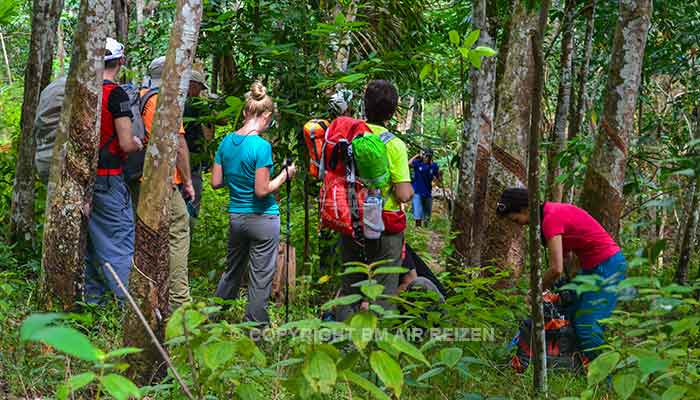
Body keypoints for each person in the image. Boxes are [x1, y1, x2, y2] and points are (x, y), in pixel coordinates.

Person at [495, 187, 627, 361]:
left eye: (516, 218)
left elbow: (556, 268)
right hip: (591, 269)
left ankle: (606, 380)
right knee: (570, 312)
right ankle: (576, 367)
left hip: (607, 267)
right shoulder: (550, 213)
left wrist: (536, 290)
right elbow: (567, 259)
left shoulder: (550, 219)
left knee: (587, 328)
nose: (518, 223)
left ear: (525, 209)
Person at [211, 82, 297, 324]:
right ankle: (255, 329)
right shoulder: (261, 146)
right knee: (260, 279)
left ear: (247, 111)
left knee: (232, 271)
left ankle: (212, 319)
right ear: (266, 115)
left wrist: (237, 175)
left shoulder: (226, 141)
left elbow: (216, 182)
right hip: (263, 219)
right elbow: (262, 190)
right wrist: (285, 175)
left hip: (237, 217)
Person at [336, 80, 413, 320]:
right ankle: (379, 347)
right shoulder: (395, 145)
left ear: (365, 105)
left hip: (352, 221)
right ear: (393, 110)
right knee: (384, 289)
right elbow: (402, 194)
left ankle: (345, 345)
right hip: (385, 225)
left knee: (351, 286)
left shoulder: (350, 137)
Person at [84, 38, 143, 303]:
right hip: (108, 179)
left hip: (83, 178)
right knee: (119, 240)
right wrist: (138, 142)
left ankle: (93, 301)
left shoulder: (84, 91)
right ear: (120, 62)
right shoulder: (115, 93)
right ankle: (126, 305)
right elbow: (125, 142)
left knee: (89, 243)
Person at [137, 56, 196, 311]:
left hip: (139, 178)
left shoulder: (141, 95)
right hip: (162, 180)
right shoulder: (164, 100)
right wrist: (188, 181)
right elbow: (179, 146)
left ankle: (150, 292)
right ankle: (179, 300)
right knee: (179, 226)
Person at [182, 69, 216, 222]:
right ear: (191, 85)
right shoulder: (194, 104)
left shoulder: (175, 101)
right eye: (198, 88)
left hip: (180, 156)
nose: (198, 92)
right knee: (192, 196)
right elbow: (222, 120)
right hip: (190, 157)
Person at [409, 148, 441, 227]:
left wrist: (437, 179)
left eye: (429, 156)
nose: (427, 158)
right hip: (417, 191)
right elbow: (408, 164)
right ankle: (418, 229)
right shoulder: (418, 163)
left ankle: (426, 229)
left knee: (427, 214)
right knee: (417, 212)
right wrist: (417, 155)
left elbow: (438, 179)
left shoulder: (433, 166)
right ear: (423, 155)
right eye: (426, 156)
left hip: (427, 192)